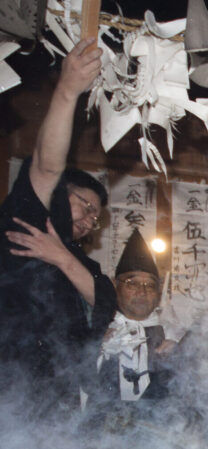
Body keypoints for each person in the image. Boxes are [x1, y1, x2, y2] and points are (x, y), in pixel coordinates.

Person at [0, 38, 116, 415]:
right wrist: (67, 91)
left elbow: (105, 300)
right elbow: (47, 166)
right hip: (9, 385)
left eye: (95, 218)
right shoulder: (30, 220)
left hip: (56, 402)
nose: (89, 220)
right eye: (86, 206)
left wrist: (62, 257)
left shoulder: (82, 261)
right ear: (61, 193)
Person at [89, 229, 181, 406]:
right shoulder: (98, 327)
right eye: (132, 283)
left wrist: (178, 355)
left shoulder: (171, 331)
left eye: (150, 285)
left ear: (158, 292)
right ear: (115, 285)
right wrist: (97, 346)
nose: (142, 291)